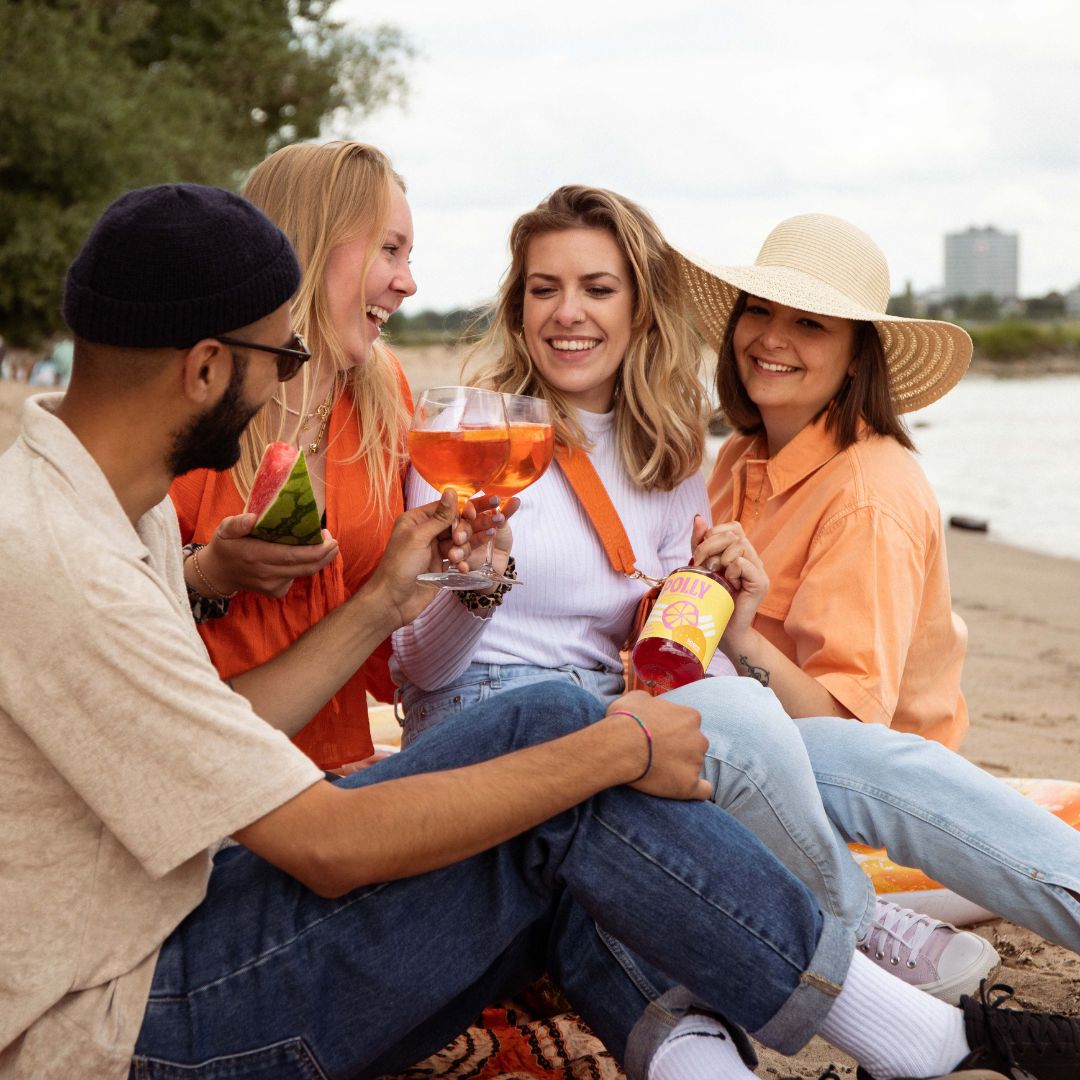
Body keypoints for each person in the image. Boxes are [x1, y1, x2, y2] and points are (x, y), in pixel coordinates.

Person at [4, 186, 1075, 1080]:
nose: (293, 385)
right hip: (119, 1013)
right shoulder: (57, 556)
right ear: (201, 369)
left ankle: (896, 1029)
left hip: (164, 920)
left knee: (622, 753)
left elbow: (224, 729)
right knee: (574, 754)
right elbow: (324, 846)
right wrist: (614, 741)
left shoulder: (108, 499)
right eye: (283, 360)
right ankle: (913, 1030)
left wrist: (385, 601)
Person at [391, 190, 1080, 1002]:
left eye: (599, 288)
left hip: (693, 721)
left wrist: (730, 639)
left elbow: (709, 655)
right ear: (518, 304)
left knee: (849, 751)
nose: (568, 312)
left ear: (640, 306)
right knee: (762, 727)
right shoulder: (511, 439)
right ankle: (857, 927)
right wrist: (482, 584)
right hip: (540, 721)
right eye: (545, 288)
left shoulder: (683, 454)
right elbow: (421, 666)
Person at [169, 140, 423, 770]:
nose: (408, 282)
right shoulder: (194, 392)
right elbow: (98, 595)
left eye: (409, 256)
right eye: (388, 249)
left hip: (339, 770)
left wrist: (475, 580)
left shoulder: (384, 393)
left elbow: (390, 636)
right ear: (307, 245)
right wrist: (212, 574)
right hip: (201, 766)